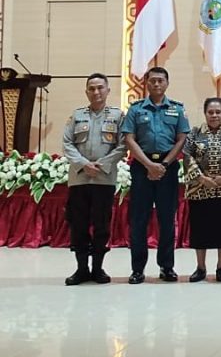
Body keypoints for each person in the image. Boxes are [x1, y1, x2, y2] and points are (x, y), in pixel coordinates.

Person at [121, 66, 190, 284]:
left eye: (161, 80)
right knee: (139, 220)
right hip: (142, 167)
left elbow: (182, 139)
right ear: (146, 83)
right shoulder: (136, 109)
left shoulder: (177, 109)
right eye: (152, 80)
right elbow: (129, 139)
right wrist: (149, 165)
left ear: (167, 83)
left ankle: (166, 267)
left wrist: (164, 164)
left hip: (167, 169)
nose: (157, 84)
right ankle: (137, 269)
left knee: (167, 220)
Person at [61, 72, 126, 285]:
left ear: (108, 90)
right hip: (79, 180)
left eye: (100, 88)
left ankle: (98, 268)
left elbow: (123, 145)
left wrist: (101, 165)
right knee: (78, 225)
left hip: (103, 180)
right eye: (92, 88)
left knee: (101, 225)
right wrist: (83, 164)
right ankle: (81, 269)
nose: (96, 92)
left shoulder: (117, 116)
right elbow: (67, 143)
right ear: (86, 91)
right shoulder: (77, 115)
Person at [183, 97, 221, 283]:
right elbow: (187, 156)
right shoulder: (194, 133)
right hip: (200, 189)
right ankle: (200, 267)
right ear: (205, 113)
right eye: (211, 112)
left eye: (218, 112)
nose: (214, 115)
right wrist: (202, 178)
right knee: (200, 230)